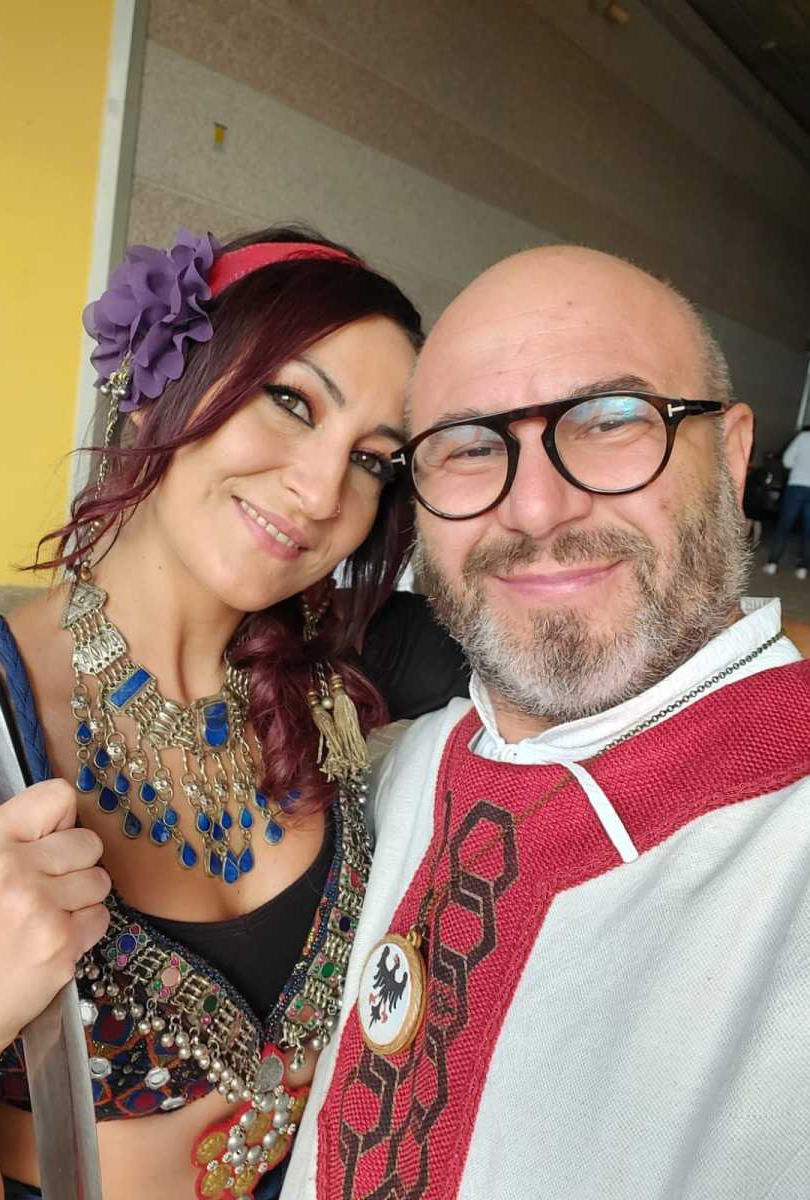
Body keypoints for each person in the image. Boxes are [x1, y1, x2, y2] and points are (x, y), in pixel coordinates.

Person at [0, 226, 428, 1200]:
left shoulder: (348, 668)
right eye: (291, 401)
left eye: (373, 459)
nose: (323, 491)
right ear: (158, 380)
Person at [285, 246, 810, 1200]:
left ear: (732, 458)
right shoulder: (407, 768)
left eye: (611, 421)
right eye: (469, 446)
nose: (534, 510)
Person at [763, 425, 810, 580]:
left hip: (796, 486)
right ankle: (802, 568)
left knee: (784, 526)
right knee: (808, 531)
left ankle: (773, 564)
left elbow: (787, 461)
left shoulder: (803, 437)